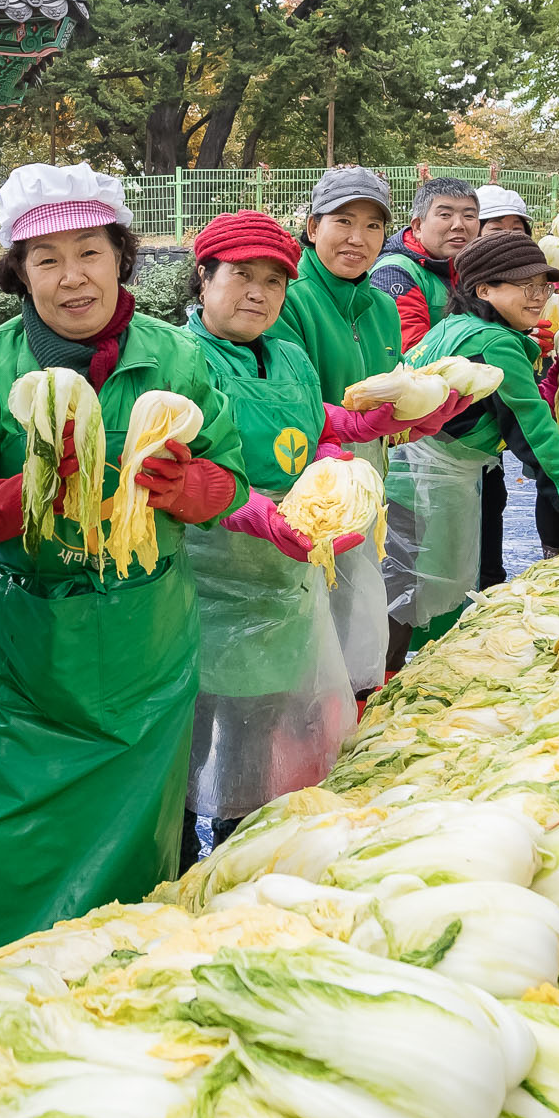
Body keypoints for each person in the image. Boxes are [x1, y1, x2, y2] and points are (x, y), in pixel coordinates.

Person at [0, 164, 248, 970]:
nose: (72, 278)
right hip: (25, 645)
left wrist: (189, 486)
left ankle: (117, 989)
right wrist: (19, 498)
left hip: (145, 637)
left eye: (89, 252)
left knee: (138, 846)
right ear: (17, 274)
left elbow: (233, 477)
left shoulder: (175, 358)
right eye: (46, 259)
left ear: (121, 255)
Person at [179, 210, 412, 863]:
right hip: (204, 580)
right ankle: (171, 871)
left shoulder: (286, 353)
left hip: (283, 578)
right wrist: (256, 514)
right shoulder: (179, 357)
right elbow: (182, 467)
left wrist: (363, 431)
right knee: (184, 743)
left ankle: (236, 865)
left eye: (275, 282)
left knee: (259, 737)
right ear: (203, 278)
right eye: (241, 276)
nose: (258, 293)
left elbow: (312, 425)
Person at [392, 231, 559, 646]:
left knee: (405, 584)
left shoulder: (455, 326)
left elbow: (493, 402)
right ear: (484, 288)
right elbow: (536, 435)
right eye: (522, 286)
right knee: (420, 591)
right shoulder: (496, 343)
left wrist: (543, 383)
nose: (537, 297)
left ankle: (389, 679)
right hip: (434, 485)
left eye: (543, 286)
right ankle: (392, 686)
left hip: (411, 472)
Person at [269, 167, 437, 695]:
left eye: (371, 226)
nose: (357, 238)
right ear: (313, 226)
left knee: (352, 603)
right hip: (301, 480)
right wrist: (359, 426)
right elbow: (284, 400)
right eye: (343, 221)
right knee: (304, 613)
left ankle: (343, 711)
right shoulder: (289, 298)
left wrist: (414, 415)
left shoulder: (381, 306)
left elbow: (391, 390)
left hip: (365, 481)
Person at [471, 186, 535, 589]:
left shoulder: (505, 318)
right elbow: (532, 424)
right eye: (496, 229)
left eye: (518, 229)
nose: (509, 237)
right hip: (453, 463)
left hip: (481, 458)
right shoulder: (492, 336)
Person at [371, 177, 481, 351]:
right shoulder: (395, 272)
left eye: (469, 216)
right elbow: (414, 351)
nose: (459, 225)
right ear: (417, 226)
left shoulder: (470, 266)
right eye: (445, 215)